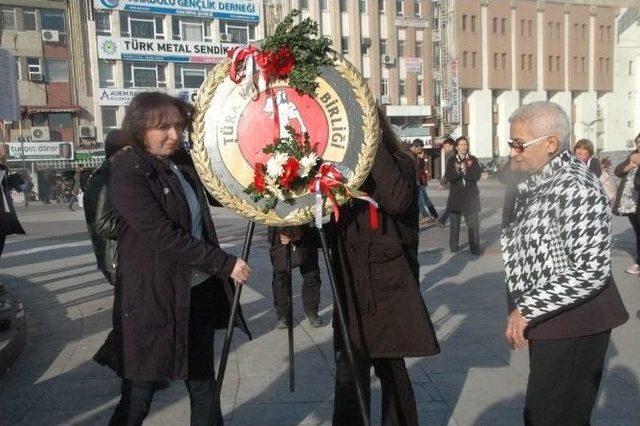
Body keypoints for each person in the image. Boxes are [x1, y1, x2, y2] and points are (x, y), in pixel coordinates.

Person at [106, 92, 252, 425]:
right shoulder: (129, 170)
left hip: (195, 296)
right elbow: (164, 236)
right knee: (140, 395)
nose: (175, 135)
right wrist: (224, 263)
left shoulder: (180, 161)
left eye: (178, 126)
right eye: (164, 128)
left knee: (203, 385)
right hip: (153, 300)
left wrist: (262, 182)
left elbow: (220, 190)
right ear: (140, 128)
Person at [502, 101, 628, 425]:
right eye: (510, 142)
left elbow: (591, 269)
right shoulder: (540, 179)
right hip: (553, 317)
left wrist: (527, 307)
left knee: (552, 417)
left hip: (576, 321)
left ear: (550, 144)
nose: (513, 151)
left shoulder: (576, 186)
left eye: (518, 143)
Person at [329, 109, 440, 425]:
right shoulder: (341, 171)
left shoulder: (400, 161)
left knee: (391, 366)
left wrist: (372, 145)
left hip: (388, 282)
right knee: (350, 367)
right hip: (351, 281)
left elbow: (399, 200)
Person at [84, 130, 127, 372]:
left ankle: (114, 355)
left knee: (129, 314)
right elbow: (102, 223)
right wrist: (139, 224)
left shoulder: (114, 175)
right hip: (116, 259)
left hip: (123, 256)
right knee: (127, 315)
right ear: (119, 153)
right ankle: (118, 359)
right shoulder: (103, 179)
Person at [268, 225, 322, 329]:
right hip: (279, 226)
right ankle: (283, 315)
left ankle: (311, 311)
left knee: (311, 273)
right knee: (280, 276)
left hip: (305, 227)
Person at [444, 136, 482, 255]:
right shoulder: (451, 160)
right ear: (456, 147)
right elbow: (449, 176)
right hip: (456, 196)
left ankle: (474, 247)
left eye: (465, 144)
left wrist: (465, 173)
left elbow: (477, 176)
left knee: (473, 224)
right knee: (454, 223)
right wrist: (459, 172)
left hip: (470, 197)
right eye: (461, 145)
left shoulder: (473, 159)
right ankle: (454, 246)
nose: (463, 147)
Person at [613, 132, 640, 274]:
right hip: (630, 202)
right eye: (638, 142)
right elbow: (617, 171)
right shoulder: (633, 155)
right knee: (637, 231)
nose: (639, 145)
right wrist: (630, 165)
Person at [0, 153, 25, 260]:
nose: (3, 161)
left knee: (2, 236)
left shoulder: (3, 169)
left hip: (3, 209)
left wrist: (18, 177)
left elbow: (5, 184)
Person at [408, 139, 438, 226]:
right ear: (415, 146)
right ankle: (427, 215)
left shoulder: (415, 155)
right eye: (419, 149)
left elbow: (420, 168)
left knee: (421, 199)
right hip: (414, 182)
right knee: (420, 200)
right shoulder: (409, 155)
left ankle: (429, 215)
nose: (420, 151)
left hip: (419, 181)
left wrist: (420, 159)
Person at [437, 137, 455, 226]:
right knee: (453, 202)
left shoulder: (451, 156)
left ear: (450, 146)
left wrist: (442, 183)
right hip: (457, 183)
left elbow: (448, 171)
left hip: (455, 183)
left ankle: (442, 220)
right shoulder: (454, 154)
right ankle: (442, 220)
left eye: (446, 146)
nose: (444, 149)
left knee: (451, 202)